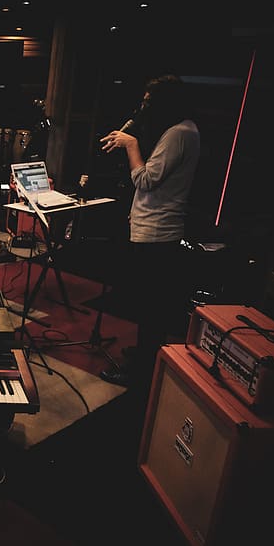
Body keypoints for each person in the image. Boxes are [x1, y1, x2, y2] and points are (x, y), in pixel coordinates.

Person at [98, 74, 200, 388]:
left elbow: (145, 180)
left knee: (150, 305)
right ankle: (145, 353)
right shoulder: (185, 131)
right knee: (149, 302)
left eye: (147, 101)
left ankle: (141, 370)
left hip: (158, 233)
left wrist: (131, 144)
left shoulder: (178, 134)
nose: (142, 106)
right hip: (155, 229)